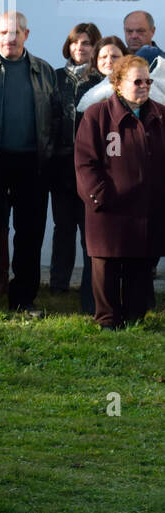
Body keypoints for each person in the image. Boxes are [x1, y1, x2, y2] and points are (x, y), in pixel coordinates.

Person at [0, 9, 60, 312]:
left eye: (16, 32)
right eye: (3, 32)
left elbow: (54, 118)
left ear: (26, 35)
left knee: (30, 231)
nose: (9, 38)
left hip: (33, 162)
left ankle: (23, 297)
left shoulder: (44, 71)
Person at [75, 54, 165, 329]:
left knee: (141, 266)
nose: (144, 86)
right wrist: (99, 197)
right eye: (137, 81)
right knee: (107, 268)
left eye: (147, 81)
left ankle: (135, 320)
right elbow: (85, 162)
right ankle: (107, 321)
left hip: (147, 210)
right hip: (108, 210)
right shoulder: (97, 115)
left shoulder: (160, 114)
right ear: (117, 83)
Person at [51, 23, 100, 302]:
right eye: (75, 42)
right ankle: (58, 284)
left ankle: (90, 286)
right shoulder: (55, 77)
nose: (79, 48)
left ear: (95, 48)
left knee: (88, 230)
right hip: (60, 166)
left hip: (89, 167)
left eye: (86, 43)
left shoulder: (101, 81)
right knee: (63, 227)